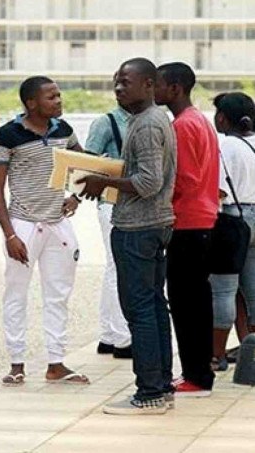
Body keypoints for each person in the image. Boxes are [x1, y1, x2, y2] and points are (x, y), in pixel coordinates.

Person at [77, 58, 177, 415]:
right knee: (153, 306)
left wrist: (104, 181)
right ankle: (161, 386)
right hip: (150, 225)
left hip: (139, 228)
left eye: (126, 82)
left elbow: (148, 182)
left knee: (141, 311)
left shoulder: (148, 124)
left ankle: (149, 391)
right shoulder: (148, 120)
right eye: (116, 83)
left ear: (149, 85)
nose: (119, 89)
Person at [0, 76, 89, 386]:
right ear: (31, 103)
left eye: (59, 96)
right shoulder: (6, 135)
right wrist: (9, 235)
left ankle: (56, 363)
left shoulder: (64, 130)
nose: (59, 101)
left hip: (58, 224)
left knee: (58, 295)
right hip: (23, 225)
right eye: (51, 97)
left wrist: (77, 196)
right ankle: (16, 363)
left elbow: (84, 165)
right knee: (16, 293)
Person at [155, 62, 219, 397]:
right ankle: (199, 371)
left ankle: (196, 376)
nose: (153, 90)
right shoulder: (201, 120)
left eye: (159, 85)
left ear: (175, 88)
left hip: (188, 222)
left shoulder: (181, 126)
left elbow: (185, 178)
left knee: (185, 303)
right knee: (197, 302)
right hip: (205, 219)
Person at [210, 92, 255, 372]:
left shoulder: (225, 147)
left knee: (223, 291)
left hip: (231, 220)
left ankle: (216, 356)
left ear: (223, 117)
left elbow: (219, 191)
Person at [84, 74, 132, 359]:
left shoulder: (149, 118)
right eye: (118, 85)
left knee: (114, 267)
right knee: (119, 267)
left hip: (131, 204)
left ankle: (109, 334)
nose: (121, 90)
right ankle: (123, 338)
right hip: (111, 203)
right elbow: (86, 163)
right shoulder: (106, 122)